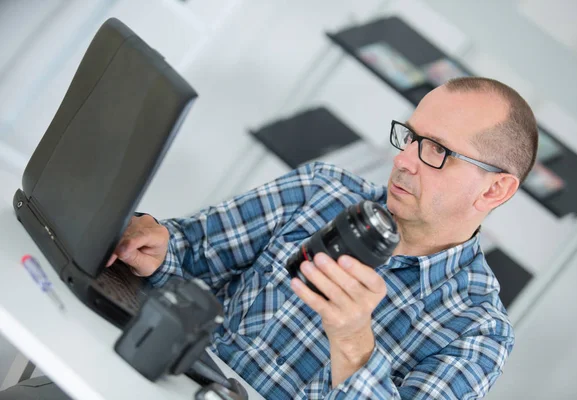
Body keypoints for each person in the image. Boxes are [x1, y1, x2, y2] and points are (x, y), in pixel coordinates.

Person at [0, 76, 535, 400]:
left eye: (435, 150)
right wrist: (161, 245)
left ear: (496, 190)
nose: (403, 160)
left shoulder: (477, 331)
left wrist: (352, 340)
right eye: (410, 136)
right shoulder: (324, 189)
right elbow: (192, 248)